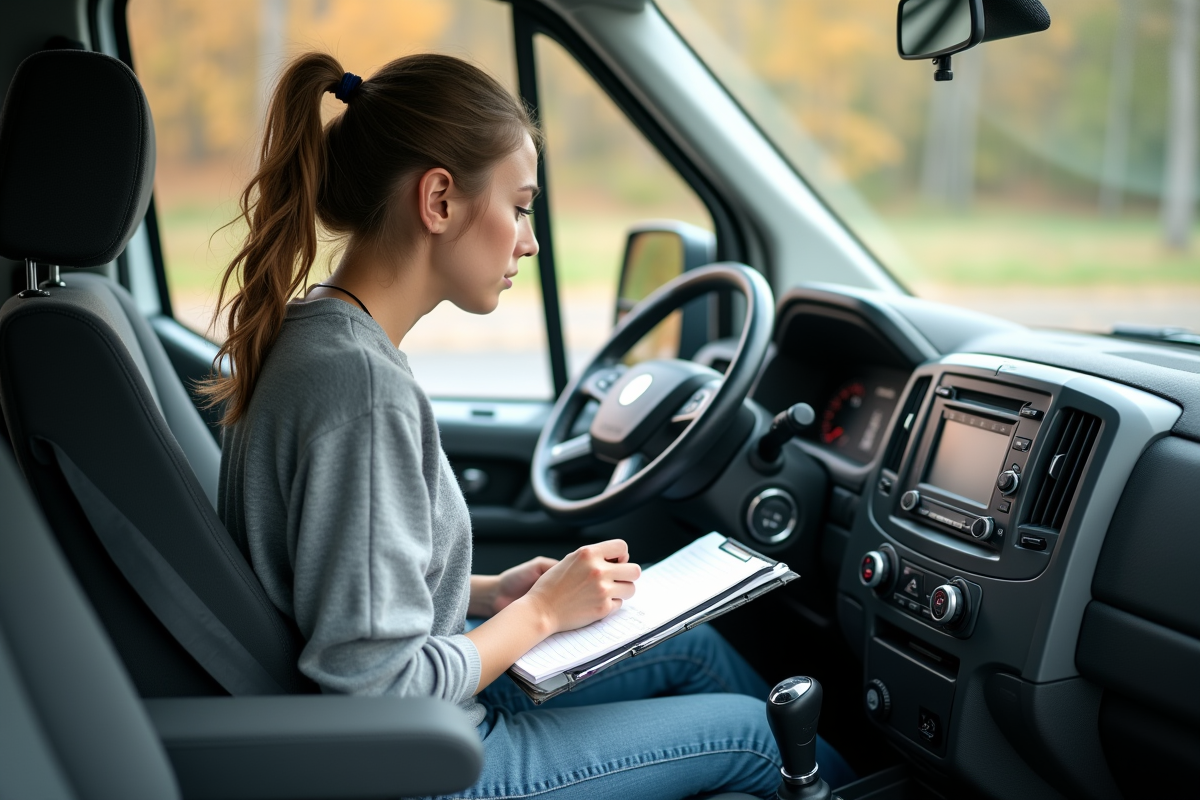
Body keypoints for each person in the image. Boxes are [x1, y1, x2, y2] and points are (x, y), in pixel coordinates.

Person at [205, 51, 852, 799]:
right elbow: (376, 690)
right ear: (438, 200)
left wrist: (490, 595)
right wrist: (542, 613)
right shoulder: (363, 392)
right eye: (518, 207)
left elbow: (342, 586)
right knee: (754, 733)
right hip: (431, 767)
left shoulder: (316, 335)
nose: (530, 240)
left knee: (696, 652)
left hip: (428, 719)